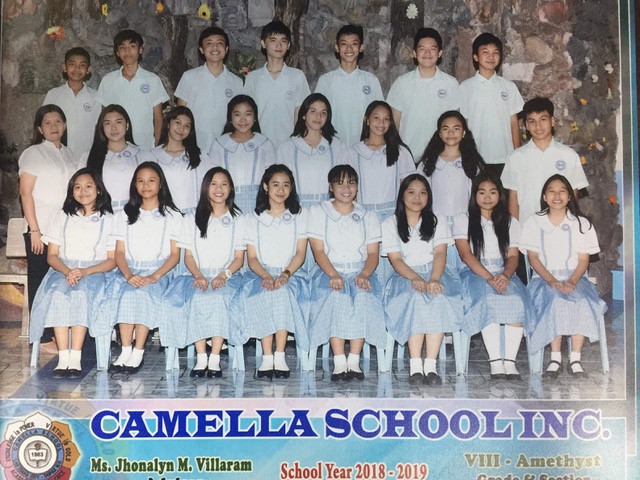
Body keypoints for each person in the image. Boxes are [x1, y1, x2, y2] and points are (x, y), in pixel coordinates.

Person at [30, 168, 115, 378]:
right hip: (62, 269)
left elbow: (112, 260)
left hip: (94, 271)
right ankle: (63, 357)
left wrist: (85, 271)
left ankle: (75, 357)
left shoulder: (109, 219)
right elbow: (52, 256)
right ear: (71, 191)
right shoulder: (62, 217)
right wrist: (68, 271)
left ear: (99, 190)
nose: (83, 191)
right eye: (77, 187)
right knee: (58, 294)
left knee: (80, 294)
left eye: (88, 186)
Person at [162, 167, 246, 378]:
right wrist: (198, 276)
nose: (219, 189)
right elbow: (188, 257)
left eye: (224, 184)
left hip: (227, 277)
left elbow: (239, 258)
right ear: (205, 187)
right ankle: (201, 357)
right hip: (196, 275)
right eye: (214, 184)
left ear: (231, 189)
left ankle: (215, 357)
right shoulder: (191, 218)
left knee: (219, 297)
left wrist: (223, 276)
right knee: (197, 297)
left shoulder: (238, 219)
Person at [520, 174, 605, 378]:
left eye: (562, 191)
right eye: (552, 191)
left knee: (582, 301)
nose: (557, 196)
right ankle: (555, 358)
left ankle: (575, 358)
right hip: (544, 280)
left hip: (576, 279)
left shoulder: (581, 224)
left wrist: (572, 281)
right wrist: (552, 281)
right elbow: (533, 258)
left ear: (570, 196)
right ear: (544, 196)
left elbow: (583, 260)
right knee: (555, 301)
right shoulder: (534, 222)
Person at [381, 174, 463, 385]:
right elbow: (396, 260)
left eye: (423, 193)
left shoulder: (437, 220)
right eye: (411, 192)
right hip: (405, 275)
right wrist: (416, 278)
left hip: (436, 272)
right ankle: (416, 366)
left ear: (429, 197)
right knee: (415, 298)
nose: (417, 198)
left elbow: (440, 254)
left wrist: (434, 279)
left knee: (438, 297)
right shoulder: (390, 223)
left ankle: (431, 366)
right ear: (402, 196)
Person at [307, 165, 385, 381]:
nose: (346, 188)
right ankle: (340, 361)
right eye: (340, 183)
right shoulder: (318, 212)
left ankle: (354, 360)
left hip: (360, 271)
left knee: (363, 297)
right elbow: (318, 251)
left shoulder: (368, 216)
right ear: (330, 187)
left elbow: (373, 254)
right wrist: (333, 274)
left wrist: (365, 274)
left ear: (357, 187)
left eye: (351, 183)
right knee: (337, 297)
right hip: (328, 272)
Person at [453, 173, 532, 380]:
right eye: (482, 192)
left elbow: (513, 256)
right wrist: (489, 278)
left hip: (504, 273)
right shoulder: (464, 220)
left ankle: (510, 361)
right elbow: (466, 255)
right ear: (474, 195)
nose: (487, 197)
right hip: (475, 273)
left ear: (500, 195)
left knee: (515, 299)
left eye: (493, 192)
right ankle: (496, 361)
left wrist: (505, 275)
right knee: (488, 298)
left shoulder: (510, 222)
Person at [109, 162, 182, 374]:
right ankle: (125, 350)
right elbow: (119, 253)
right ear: (134, 185)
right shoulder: (124, 215)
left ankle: (138, 350)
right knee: (126, 294)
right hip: (129, 272)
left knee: (143, 294)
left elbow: (175, 255)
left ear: (160, 184)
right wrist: (129, 275)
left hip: (159, 273)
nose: (146, 185)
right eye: (140, 180)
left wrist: (154, 276)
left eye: (151, 180)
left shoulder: (172, 216)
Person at [242, 164, 309, 379]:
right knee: (265, 292)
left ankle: (280, 355)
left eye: (286, 185)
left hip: (291, 274)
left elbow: (300, 254)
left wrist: (285, 274)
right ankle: (267, 356)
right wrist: (266, 276)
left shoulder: (299, 216)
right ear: (265, 186)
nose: (281, 190)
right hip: (260, 274)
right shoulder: (252, 219)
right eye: (276, 185)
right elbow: (252, 259)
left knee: (282, 292)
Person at [19, 105, 78, 348]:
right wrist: (35, 230)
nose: (54, 126)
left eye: (58, 122)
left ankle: (59, 332)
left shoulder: (69, 153)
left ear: (65, 126)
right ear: (39, 129)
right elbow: (25, 193)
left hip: (65, 229)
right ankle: (41, 338)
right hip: (40, 228)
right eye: (48, 123)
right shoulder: (33, 153)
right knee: (40, 281)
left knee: (59, 280)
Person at [501, 97, 589, 224]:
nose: (538, 126)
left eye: (543, 119)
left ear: (552, 121)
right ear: (526, 125)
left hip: (560, 227)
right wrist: (515, 230)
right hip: (527, 226)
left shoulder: (569, 155)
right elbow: (513, 198)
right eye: (532, 121)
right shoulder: (515, 157)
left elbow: (573, 196)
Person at [420, 110, 485, 268]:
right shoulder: (428, 163)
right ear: (439, 133)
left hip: (465, 226)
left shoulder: (473, 163)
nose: (451, 133)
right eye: (445, 128)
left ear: (464, 133)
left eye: (456, 128)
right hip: (436, 225)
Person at [387, 28, 460, 160]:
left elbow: (455, 123)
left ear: (440, 53)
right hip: (407, 157)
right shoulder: (402, 83)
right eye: (422, 49)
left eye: (432, 49)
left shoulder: (451, 84)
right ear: (414, 53)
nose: (427, 53)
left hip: (440, 158)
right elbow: (393, 123)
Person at [459, 32, 524, 178]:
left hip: (505, 157)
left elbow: (514, 122)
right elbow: (463, 123)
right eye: (485, 52)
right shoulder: (465, 87)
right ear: (476, 57)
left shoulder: (508, 87)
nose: (491, 57)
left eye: (495, 53)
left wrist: (517, 154)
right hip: (476, 157)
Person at [96, 30, 169, 149]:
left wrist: (158, 146)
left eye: (132, 46)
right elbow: (104, 116)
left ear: (140, 50)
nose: (127, 51)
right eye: (122, 47)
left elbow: (158, 117)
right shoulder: (108, 80)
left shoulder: (152, 80)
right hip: (116, 147)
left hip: (145, 146)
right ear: (117, 52)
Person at [175, 27, 244, 153]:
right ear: (201, 49)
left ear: (226, 49)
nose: (215, 47)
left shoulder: (236, 82)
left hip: (226, 146)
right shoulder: (189, 77)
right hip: (193, 145)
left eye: (220, 43)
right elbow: (181, 112)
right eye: (209, 43)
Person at [315, 24, 384, 147]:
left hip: (364, 147)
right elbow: (316, 116)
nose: (349, 49)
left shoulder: (371, 80)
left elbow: (380, 114)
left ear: (361, 47)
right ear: (337, 47)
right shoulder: (326, 81)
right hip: (332, 146)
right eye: (344, 44)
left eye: (354, 44)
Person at [347, 100, 416, 224]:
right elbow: (349, 189)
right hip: (363, 217)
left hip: (393, 218)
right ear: (367, 120)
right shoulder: (354, 152)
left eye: (386, 119)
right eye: (376, 118)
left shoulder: (401, 152)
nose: (381, 123)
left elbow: (409, 188)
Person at [244, 21, 310, 147]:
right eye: (273, 40)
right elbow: (247, 112)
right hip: (259, 144)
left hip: (289, 144)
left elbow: (300, 113)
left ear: (288, 45)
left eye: (283, 41)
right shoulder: (253, 78)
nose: (278, 45)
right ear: (263, 43)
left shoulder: (297, 76)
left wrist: (297, 142)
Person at [208, 95, 276, 214]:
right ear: (230, 118)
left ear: (255, 117)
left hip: (259, 205)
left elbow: (272, 179)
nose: (243, 120)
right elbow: (211, 179)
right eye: (237, 114)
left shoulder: (265, 144)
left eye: (248, 114)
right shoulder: (219, 144)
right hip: (226, 204)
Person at [278, 93, 346, 210]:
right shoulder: (287, 147)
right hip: (297, 210)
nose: (318, 116)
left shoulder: (336, 146)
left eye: (323, 113)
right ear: (304, 115)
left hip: (329, 209)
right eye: (313, 111)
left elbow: (343, 180)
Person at [142, 106, 211, 214]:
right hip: (162, 214)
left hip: (192, 215)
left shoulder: (200, 156)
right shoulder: (151, 156)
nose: (181, 128)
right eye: (178, 123)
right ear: (168, 124)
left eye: (187, 126)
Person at [82, 104, 143, 213]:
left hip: (135, 215)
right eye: (108, 123)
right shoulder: (88, 157)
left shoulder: (141, 155)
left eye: (118, 122)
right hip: (102, 215)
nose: (113, 128)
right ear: (102, 127)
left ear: (127, 125)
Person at [43, 47, 101, 159]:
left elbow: (98, 128)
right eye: (72, 64)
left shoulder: (95, 97)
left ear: (88, 69)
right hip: (57, 156)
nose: (77, 69)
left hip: (86, 156)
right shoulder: (54, 95)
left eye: (82, 65)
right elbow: (45, 123)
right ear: (64, 67)